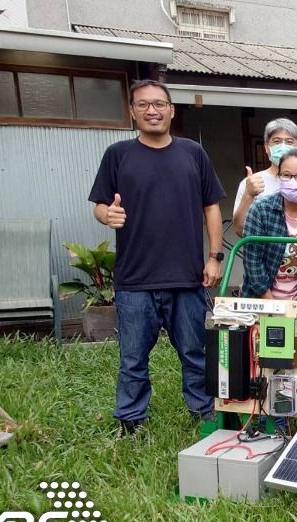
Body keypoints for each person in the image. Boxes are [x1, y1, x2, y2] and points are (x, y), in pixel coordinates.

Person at [88, 80, 225, 437]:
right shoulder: (118, 154)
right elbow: (101, 205)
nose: (153, 110)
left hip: (187, 277)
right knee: (132, 359)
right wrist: (107, 216)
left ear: (171, 110)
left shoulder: (193, 153)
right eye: (144, 105)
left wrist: (215, 256)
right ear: (132, 111)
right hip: (135, 279)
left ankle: (203, 413)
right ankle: (131, 420)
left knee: (196, 353)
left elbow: (211, 206)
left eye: (160, 104)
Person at [240, 149, 297, 301]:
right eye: (287, 175)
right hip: (260, 299)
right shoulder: (260, 210)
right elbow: (252, 259)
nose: (293, 181)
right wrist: (271, 302)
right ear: (279, 177)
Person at [233, 118, 297, 232]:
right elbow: (239, 229)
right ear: (266, 147)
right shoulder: (251, 182)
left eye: (289, 142)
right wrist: (248, 195)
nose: (283, 146)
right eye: (277, 141)